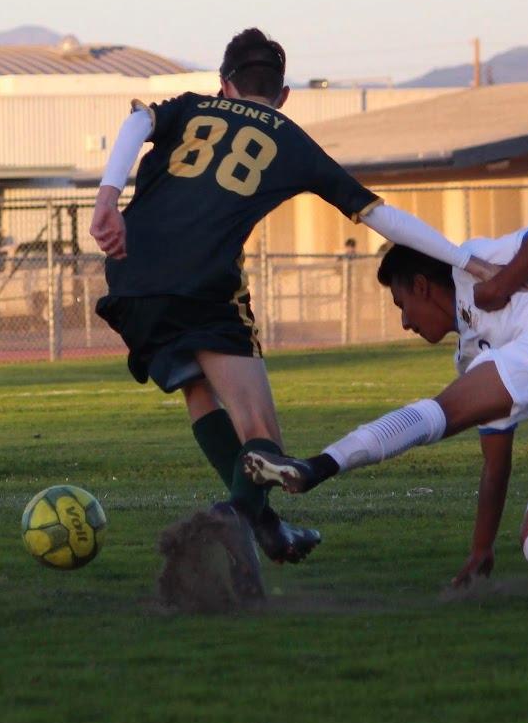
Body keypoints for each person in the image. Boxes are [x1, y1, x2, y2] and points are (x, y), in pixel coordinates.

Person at [89, 28, 498, 572]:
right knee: (261, 434)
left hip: (129, 272)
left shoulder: (192, 108)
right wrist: (466, 261)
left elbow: (139, 118)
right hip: (202, 280)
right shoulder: (290, 137)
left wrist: (108, 197)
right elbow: (378, 215)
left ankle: (267, 526)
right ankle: (235, 518)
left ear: (225, 85)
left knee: (198, 391)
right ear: (283, 95)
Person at [244, 226, 528, 586]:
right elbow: (495, 465)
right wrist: (481, 548)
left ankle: (316, 466)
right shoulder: (472, 357)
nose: (405, 321)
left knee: (439, 413)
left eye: (401, 305)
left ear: (421, 286)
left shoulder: (471, 263)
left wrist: (500, 285)